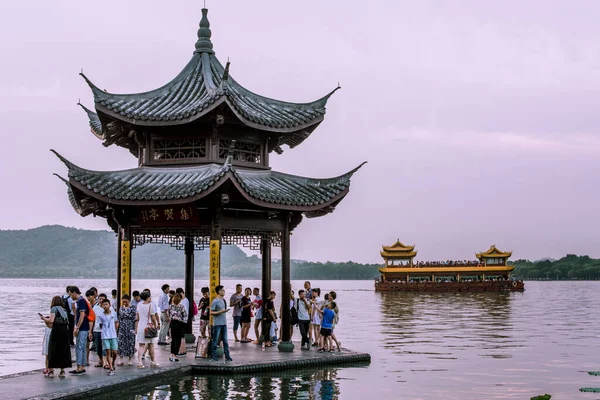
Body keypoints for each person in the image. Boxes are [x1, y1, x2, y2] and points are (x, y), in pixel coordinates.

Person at [42, 296, 72, 378]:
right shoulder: (64, 310)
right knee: (63, 351)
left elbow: (51, 321)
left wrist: (44, 318)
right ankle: (62, 371)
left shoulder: (54, 308)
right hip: (65, 331)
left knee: (53, 350)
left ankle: (51, 371)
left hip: (56, 331)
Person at [69, 286, 91, 375]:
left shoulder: (81, 301)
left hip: (82, 328)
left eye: (70, 294)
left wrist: (77, 327)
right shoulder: (81, 300)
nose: (70, 296)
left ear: (74, 293)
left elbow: (82, 315)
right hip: (84, 327)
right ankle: (82, 366)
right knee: (82, 347)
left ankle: (79, 367)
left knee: (79, 347)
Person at [135, 291, 159, 368]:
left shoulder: (139, 305)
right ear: (148, 297)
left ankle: (139, 362)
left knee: (141, 345)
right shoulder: (150, 306)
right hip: (148, 327)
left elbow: (137, 317)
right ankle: (153, 362)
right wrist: (156, 325)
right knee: (151, 344)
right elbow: (153, 318)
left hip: (140, 327)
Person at [210, 285, 232, 361]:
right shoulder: (215, 301)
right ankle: (213, 355)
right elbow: (211, 312)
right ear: (219, 291)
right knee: (215, 340)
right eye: (222, 290)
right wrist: (220, 311)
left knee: (225, 340)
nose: (224, 291)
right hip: (217, 324)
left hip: (224, 323)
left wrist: (224, 311)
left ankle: (227, 355)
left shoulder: (223, 300)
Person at [97, 299, 119, 375]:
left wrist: (116, 331)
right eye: (104, 304)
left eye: (106, 304)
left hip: (113, 335)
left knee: (115, 352)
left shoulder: (114, 314)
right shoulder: (101, 316)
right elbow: (100, 325)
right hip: (105, 336)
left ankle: (113, 362)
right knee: (108, 352)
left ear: (109, 305)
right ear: (102, 306)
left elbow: (116, 323)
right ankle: (111, 368)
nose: (105, 306)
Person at [167, 293, 187, 362]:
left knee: (173, 339)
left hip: (172, 323)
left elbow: (168, 314)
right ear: (180, 300)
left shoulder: (170, 306)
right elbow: (185, 316)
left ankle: (171, 354)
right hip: (179, 323)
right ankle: (175, 354)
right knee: (178, 340)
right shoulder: (181, 307)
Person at [117, 295, 136, 366]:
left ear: (129, 300)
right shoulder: (121, 308)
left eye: (126, 301)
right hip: (122, 327)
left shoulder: (133, 308)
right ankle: (120, 359)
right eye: (123, 301)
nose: (124, 302)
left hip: (130, 326)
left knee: (130, 342)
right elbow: (119, 318)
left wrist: (135, 329)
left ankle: (130, 359)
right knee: (121, 342)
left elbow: (135, 318)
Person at [91, 293, 107, 368]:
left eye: (102, 299)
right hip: (96, 329)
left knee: (105, 347)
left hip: (105, 330)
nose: (101, 300)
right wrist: (91, 330)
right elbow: (92, 319)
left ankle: (105, 362)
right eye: (100, 299)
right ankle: (100, 360)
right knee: (98, 347)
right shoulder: (95, 308)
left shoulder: (109, 308)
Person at [175, 288, 189, 356]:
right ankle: (182, 350)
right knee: (181, 336)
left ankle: (182, 351)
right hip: (183, 320)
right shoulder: (184, 300)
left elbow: (184, 312)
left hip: (182, 321)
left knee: (181, 336)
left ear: (181, 293)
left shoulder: (184, 301)